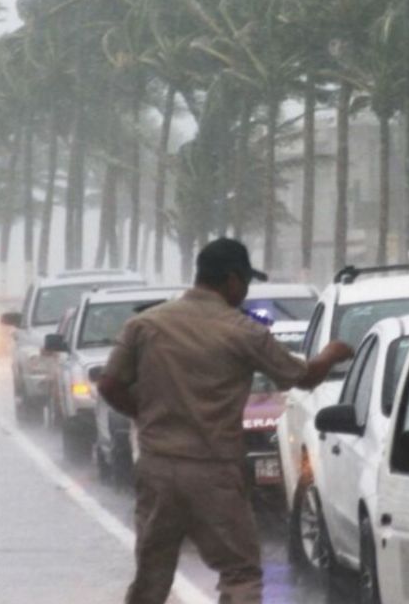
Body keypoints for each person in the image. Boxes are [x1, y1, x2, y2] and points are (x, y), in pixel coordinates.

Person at [98, 238, 353, 604]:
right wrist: (332, 353)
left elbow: (109, 385)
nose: (245, 291)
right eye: (245, 282)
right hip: (213, 470)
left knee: (152, 574)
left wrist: (146, 415)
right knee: (240, 571)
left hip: (157, 467)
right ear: (232, 280)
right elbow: (304, 376)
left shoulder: (144, 325)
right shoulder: (243, 331)